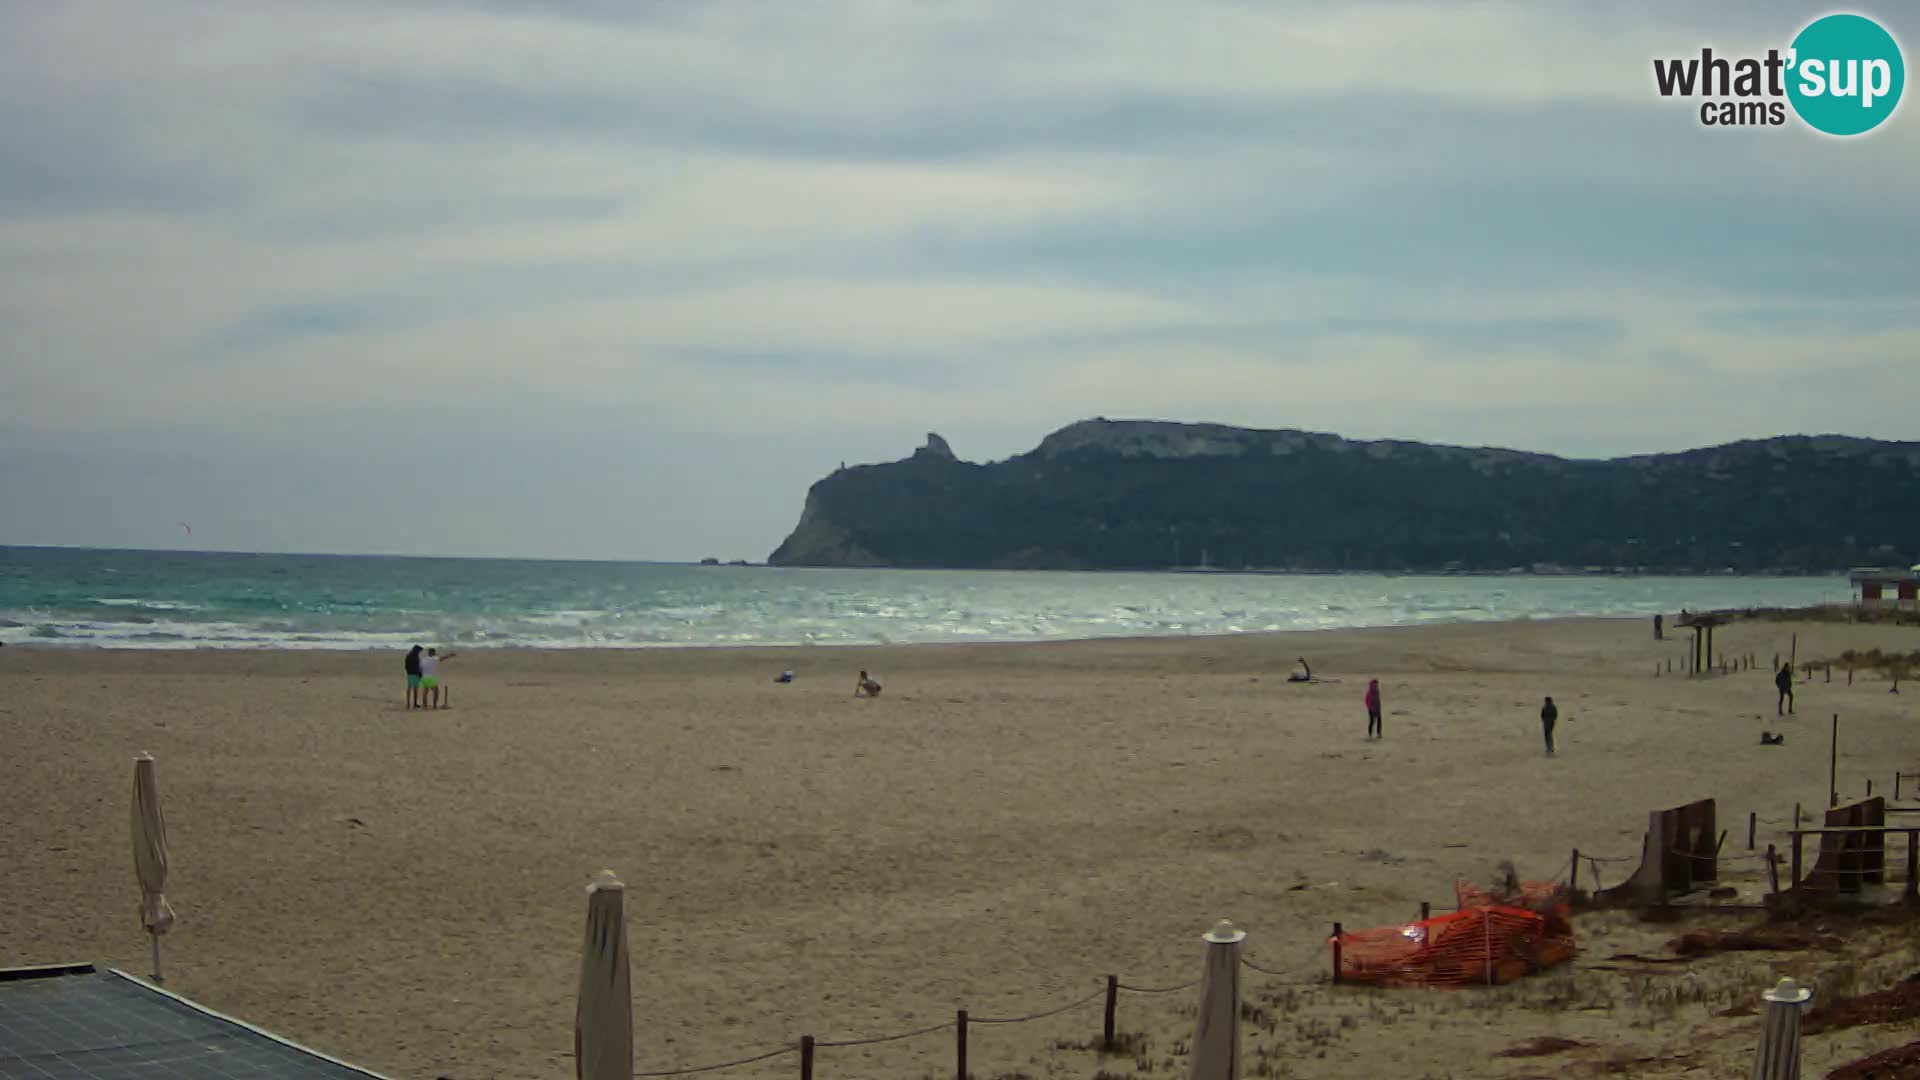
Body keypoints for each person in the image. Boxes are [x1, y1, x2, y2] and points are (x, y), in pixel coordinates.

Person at [404, 644, 424, 709]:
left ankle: (408, 703)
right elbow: (418, 667)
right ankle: (415, 703)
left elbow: (406, 666)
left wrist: (408, 672)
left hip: (409, 673)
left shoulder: (408, 655)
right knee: (415, 689)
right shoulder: (416, 657)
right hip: (415, 673)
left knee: (409, 688)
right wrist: (420, 673)